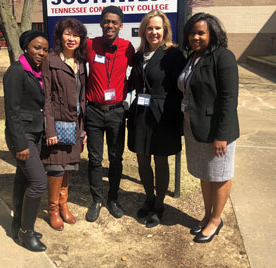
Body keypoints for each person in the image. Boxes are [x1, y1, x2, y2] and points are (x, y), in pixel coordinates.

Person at [177, 12, 239, 243]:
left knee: (220, 174)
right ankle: (207, 215)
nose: (195, 37)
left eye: (201, 33)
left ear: (212, 33)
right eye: (192, 33)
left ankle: (216, 220)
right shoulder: (193, 57)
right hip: (195, 127)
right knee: (205, 173)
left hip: (217, 131)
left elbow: (228, 99)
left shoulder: (223, 57)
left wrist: (222, 136)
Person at [127, 10, 186, 228]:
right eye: (150, 28)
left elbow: (181, 88)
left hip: (163, 114)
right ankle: (149, 198)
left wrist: (178, 116)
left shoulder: (173, 54)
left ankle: (159, 205)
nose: (154, 32)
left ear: (165, 31)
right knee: (142, 159)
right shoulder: (138, 54)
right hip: (140, 112)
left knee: (160, 161)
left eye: (158, 28)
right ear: (143, 31)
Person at [85, 6, 135, 222]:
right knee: (95, 159)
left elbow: (143, 69)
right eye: (106, 21)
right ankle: (97, 200)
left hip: (116, 112)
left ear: (121, 26)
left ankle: (113, 199)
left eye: (114, 22)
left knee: (116, 159)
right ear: (101, 23)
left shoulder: (127, 47)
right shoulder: (89, 45)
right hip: (93, 111)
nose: (110, 25)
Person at [3, 30, 49, 252]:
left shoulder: (36, 72)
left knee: (23, 180)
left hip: (35, 132)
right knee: (39, 182)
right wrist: (20, 143)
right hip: (22, 135)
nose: (41, 53)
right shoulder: (16, 71)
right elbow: (11, 112)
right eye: (37, 48)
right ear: (26, 47)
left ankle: (16, 226)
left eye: (45, 49)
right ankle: (26, 232)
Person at [41, 18, 87, 231]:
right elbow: (46, 97)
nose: (72, 39)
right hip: (57, 124)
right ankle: (52, 209)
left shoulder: (80, 61)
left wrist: (83, 128)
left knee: (67, 167)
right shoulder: (50, 60)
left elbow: (82, 98)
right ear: (60, 36)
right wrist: (49, 128)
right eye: (68, 34)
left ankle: (63, 205)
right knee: (56, 168)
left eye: (76, 35)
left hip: (74, 123)